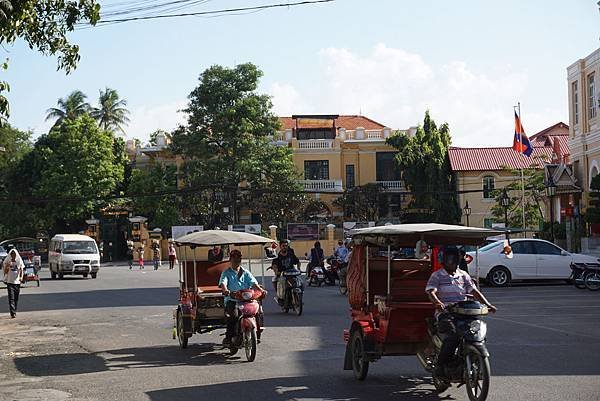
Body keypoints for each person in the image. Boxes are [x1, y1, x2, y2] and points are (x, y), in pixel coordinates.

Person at [425, 246, 497, 379]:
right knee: (452, 337)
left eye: (454, 258)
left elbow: (474, 292)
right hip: (446, 313)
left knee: (477, 332)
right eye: (449, 258)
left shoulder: (463, 275)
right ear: (444, 260)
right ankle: (441, 366)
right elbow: (431, 291)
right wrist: (437, 302)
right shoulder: (437, 275)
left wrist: (488, 305)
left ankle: (473, 357)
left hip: (464, 311)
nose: (452, 261)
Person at [218, 249, 265, 345]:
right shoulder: (226, 272)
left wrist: (261, 290)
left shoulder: (246, 272)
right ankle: (229, 337)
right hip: (232, 299)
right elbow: (223, 283)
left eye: (238, 258)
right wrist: (226, 290)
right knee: (234, 316)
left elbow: (254, 283)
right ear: (230, 259)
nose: (236, 260)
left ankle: (257, 333)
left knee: (258, 312)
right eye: (234, 258)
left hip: (247, 300)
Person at [2, 249, 24, 318]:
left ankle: (14, 310)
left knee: (16, 298)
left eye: (14, 254)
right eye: (12, 255)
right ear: (10, 255)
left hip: (17, 282)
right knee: (11, 298)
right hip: (10, 282)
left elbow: (21, 270)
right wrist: (7, 266)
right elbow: (5, 272)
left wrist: (21, 277)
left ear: (16, 255)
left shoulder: (19, 261)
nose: (13, 256)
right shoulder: (8, 262)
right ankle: (12, 313)